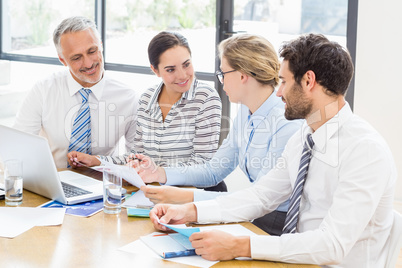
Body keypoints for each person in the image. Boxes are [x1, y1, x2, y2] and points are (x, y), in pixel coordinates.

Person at [148, 33, 397, 267]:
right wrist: (188, 211)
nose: (278, 92)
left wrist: (239, 245)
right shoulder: (305, 136)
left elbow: (331, 244)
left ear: (308, 81)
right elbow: (262, 196)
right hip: (298, 258)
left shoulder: (364, 151)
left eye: (285, 82)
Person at [134, 34, 301, 236]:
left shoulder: (285, 122)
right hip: (253, 212)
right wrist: (161, 174)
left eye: (223, 73)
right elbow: (213, 170)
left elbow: (260, 199)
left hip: (277, 223)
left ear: (242, 76)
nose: (221, 81)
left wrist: (184, 198)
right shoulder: (246, 114)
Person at [68, 31, 223, 188]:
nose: (182, 75)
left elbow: (202, 167)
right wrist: (97, 161)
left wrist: (156, 173)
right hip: (155, 191)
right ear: (155, 70)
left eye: (186, 64)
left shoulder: (206, 97)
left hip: (192, 194)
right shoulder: (147, 98)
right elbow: (137, 157)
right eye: (170, 69)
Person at [13, 16, 138, 169]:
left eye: (92, 51)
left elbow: (138, 158)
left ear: (101, 45)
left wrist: (101, 161)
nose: (88, 63)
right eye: (76, 58)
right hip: (53, 184)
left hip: (103, 184)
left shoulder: (127, 97)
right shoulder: (43, 90)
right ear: (62, 60)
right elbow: (18, 148)